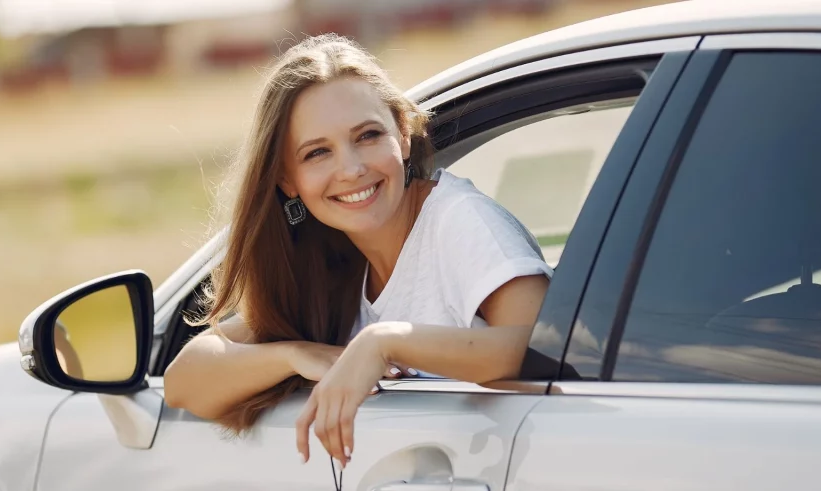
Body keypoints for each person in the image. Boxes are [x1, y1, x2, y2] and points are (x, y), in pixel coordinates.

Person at [163, 33, 551, 470]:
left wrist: (383, 343)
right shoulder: (329, 263)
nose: (350, 169)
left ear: (403, 136)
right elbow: (183, 381)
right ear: (287, 180)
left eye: (367, 135)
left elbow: (550, 352)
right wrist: (295, 354)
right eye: (317, 153)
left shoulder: (459, 220)